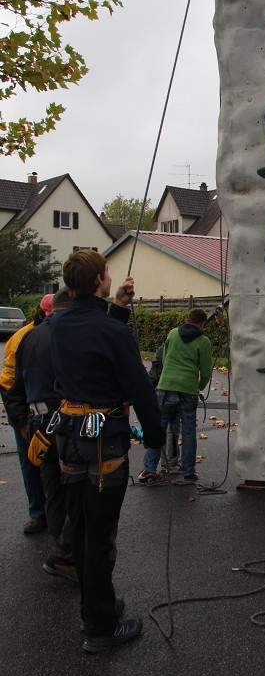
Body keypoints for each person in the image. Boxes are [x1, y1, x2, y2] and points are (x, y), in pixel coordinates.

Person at [49, 250, 165, 653]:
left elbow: (91, 341)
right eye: (107, 274)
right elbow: (140, 390)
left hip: (68, 438)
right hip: (102, 442)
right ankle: (99, 628)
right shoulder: (111, 333)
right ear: (99, 279)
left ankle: (96, 607)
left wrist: (116, 308)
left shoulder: (56, 323)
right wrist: (155, 437)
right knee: (99, 536)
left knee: (81, 528)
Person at [3, 287, 77, 583]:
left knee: (52, 489)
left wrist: (22, 422)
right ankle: (66, 553)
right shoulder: (69, 336)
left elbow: (11, 385)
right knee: (73, 487)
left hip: (36, 421)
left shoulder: (24, 338)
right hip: (65, 420)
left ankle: (60, 545)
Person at [139, 309, 212, 485]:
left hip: (166, 387)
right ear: (202, 324)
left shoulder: (172, 333)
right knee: (188, 431)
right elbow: (206, 371)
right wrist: (198, 387)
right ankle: (188, 472)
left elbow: (165, 358)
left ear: (187, 320)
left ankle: (149, 468)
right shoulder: (203, 341)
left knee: (159, 429)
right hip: (187, 390)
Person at [0, 295, 53, 533]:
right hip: (29, 415)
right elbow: (9, 384)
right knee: (30, 463)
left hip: (56, 415)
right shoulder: (21, 338)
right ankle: (38, 513)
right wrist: (19, 421)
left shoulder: (62, 333)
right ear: (42, 314)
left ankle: (57, 514)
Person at [148, 342, 181, 474]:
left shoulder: (165, 346)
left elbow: (154, 371)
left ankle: (152, 465)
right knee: (172, 429)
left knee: (161, 428)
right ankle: (170, 463)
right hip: (174, 390)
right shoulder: (179, 347)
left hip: (160, 391)